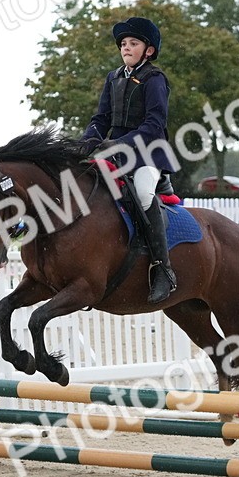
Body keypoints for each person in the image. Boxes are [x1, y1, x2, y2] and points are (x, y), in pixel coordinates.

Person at [81, 16, 177, 303]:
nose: (126, 48)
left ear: (148, 50)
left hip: (148, 152)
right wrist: (87, 142)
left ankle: (163, 269)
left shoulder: (154, 78)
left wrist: (120, 143)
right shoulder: (114, 77)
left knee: (144, 194)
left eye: (133, 43)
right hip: (115, 150)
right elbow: (101, 118)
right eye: (123, 44)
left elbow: (154, 123)